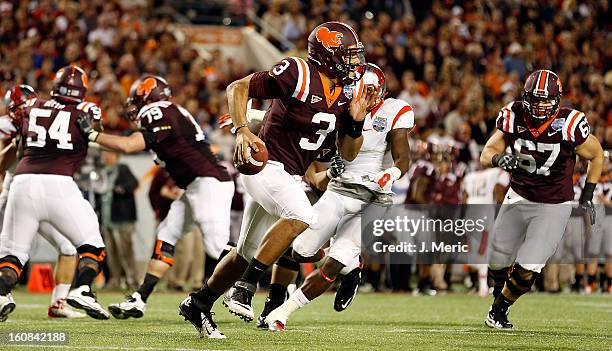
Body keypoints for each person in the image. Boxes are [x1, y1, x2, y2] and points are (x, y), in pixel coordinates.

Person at [179, 21, 375, 338]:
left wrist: (355, 122)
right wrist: (242, 129)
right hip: (264, 165)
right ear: (328, 54)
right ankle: (246, 286)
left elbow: (348, 153)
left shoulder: (344, 95)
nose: (354, 63)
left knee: (244, 251)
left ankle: (199, 303)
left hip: (289, 176)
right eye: (348, 55)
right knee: (301, 215)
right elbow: (238, 88)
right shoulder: (297, 72)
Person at [265, 63, 413, 331]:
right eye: (362, 90)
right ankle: (352, 267)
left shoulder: (394, 110)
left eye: (372, 91)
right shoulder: (338, 109)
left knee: (333, 263)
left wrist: (390, 174)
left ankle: (283, 312)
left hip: (375, 198)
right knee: (300, 251)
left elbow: (403, 157)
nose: (367, 96)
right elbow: (315, 166)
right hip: (339, 189)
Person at [79, 75, 234, 324]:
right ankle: (139, 298)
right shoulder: (172, 111)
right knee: (166, 235)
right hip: (197, 184)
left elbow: (129, 146)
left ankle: (251, 282)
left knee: (216, 247)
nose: (135, 106)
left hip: (208, 182)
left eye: (137, 99)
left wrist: (91, 135)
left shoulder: (156, 110)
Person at [480, 69, 604, 329]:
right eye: (534, 100)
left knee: (528, 267)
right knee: (497, 258)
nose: (539, 106)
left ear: (557, 100)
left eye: (545, 100)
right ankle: (497, 295)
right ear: (525, 98)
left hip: (553, 204)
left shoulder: (569, 124)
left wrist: (588, 194)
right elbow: (486, 152)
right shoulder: (513, 115)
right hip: (519, 195)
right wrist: (500, 159)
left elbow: (596, 155)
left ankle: (499, 310)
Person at [0, 66, 110, 321]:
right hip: (52, 185)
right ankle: (83, 288)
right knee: (91, 243)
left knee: (18, 253)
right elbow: (98, 133)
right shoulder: (84, 110)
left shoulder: (32, 110)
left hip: (22, 187)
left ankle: (15, 296)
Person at [99, 150, 138, 290]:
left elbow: (133, 183)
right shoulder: (102, 171)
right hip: (107, 219)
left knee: (126, 251)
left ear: (115, 155)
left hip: (122, 217)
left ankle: (132, 280)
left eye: (107, 153)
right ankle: (114, 280)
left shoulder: (122, 168)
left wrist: (121, 189)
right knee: (110, 253)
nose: (105, 155)